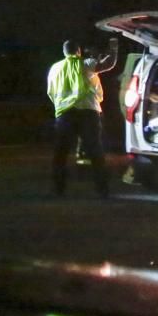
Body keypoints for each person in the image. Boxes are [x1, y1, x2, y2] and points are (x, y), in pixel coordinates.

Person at [47, 38, 117, 197]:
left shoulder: (54, 68)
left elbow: (51, 92)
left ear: (64, 52)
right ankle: (102, 190)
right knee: (95, 152)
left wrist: (61, 106)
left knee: (61, 153)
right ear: (78, 51)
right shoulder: (86, 63)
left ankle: (58, 189)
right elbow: (109, 63)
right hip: (87, 113)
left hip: (64, 114)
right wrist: (113, 46)